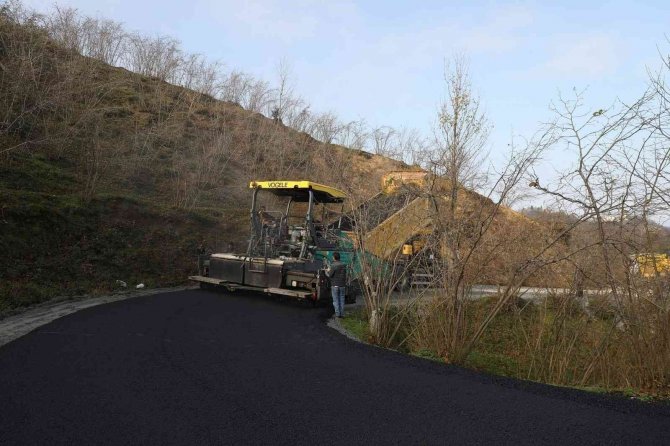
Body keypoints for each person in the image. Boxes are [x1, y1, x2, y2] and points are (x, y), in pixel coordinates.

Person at [326, 252, 347, 318]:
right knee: (342, 299)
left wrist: (327, 271)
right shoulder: (344, 265)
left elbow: (330, 275)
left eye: (333, 257)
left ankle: (338, 314)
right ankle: (342, 314)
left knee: (336, 300)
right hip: (342, 285)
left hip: (335, 285)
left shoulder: (333, 265)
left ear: (334, 257)